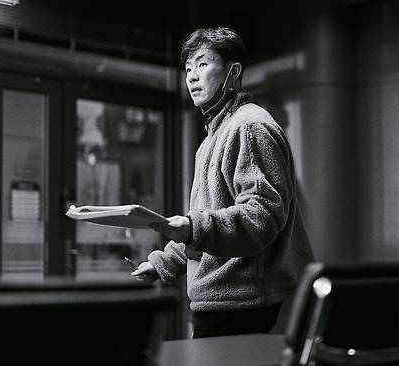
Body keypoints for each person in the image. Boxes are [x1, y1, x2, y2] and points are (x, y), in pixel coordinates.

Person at [131, 27, 314, 338]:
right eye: (188, 68)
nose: (192, 77)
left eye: (203, 64)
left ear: (233, 72)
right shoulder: (214, 136)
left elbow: (262, 216)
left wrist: (193, 227)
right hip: (222, 299)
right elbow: (208, 221)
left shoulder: (249, 125)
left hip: (243, 301)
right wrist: (165, 263)